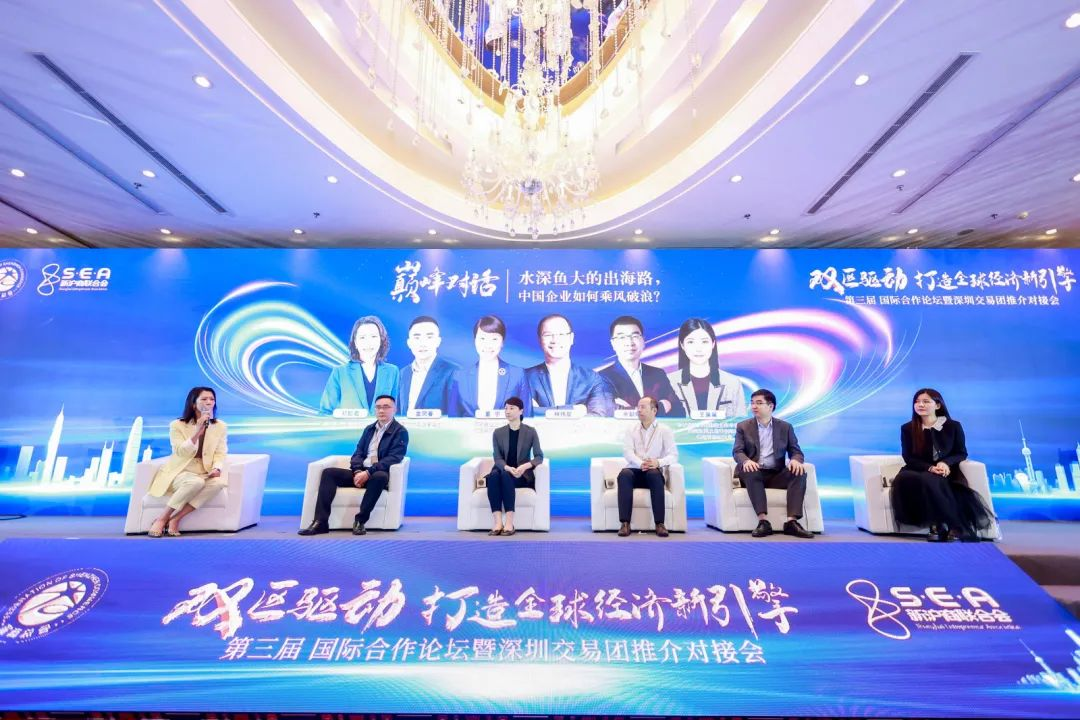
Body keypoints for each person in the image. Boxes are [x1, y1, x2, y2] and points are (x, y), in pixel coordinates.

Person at [891, 388, 993, 542]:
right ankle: (938, 524)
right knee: (913, 479)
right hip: (917, 469)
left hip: (946, 470)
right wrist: (930, 468)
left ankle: (947, 525)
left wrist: (945, 463)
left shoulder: (953, 426)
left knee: (933, 480)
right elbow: (908, 457)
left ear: (937, 405)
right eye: (917, 402)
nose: (920, 405)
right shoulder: (907, 428)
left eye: (926, 401)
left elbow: (961, 453)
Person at [299, 395, 409, 536]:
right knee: (329, 473)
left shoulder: (400, 432)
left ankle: (360, 521)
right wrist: (357, 471)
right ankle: (321, 522)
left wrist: (368, 473)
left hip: (377, 474)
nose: (381, 410)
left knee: (380, 476)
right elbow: (358, 453)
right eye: (378, 407)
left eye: (386, 407)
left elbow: (394, 458)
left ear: (394, 409)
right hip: (361, 472)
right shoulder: (369, 429)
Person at [147, 386, 228, 537]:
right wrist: (197, 432)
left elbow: (220, 452)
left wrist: (217, 468)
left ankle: (175, 518)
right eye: (204, 399)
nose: (209, 402)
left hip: (203, 472)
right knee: (195, 482)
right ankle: (162, 519)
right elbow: (180, 452)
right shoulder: (177, 425)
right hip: (180, 471)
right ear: (193, 404)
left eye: (212, 399)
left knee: (219, 483)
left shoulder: (220, 426)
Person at [732, 388, 813, 538]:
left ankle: (791, 522)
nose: (754, 406)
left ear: (771, 406)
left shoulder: (785, 427)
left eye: (759, 403)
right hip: (753, 473)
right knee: (751, 471)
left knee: (799, 473)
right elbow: (737, 451)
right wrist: (746, 461)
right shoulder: (743, 426)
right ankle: (763, 522)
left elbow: (796, 451)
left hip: (775, 474)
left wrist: (795, 460)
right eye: (752, 403)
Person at [526, 314, 613, 416]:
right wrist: (571, 410)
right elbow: (521, 412)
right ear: (539, 340)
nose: (555, 340)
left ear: (571, 338)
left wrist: (540, 411)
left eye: (561, 334)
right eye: (548, 335)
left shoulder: (591, 378)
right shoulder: (525, 377)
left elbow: (597, 416)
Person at [616, 396, 679, 537]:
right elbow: (627, 452)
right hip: (635, 470)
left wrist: (658, 463)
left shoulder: (664, 430)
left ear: (654, 410)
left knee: (654, 474)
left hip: (653, 471)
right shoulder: (631, 429)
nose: (639, 410)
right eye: (638, 407)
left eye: (643, 407)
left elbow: (674, 455)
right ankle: (625, 523)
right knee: (624, 474)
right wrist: (640, 463)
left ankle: (660, 524)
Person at [599, 315, 683, 417]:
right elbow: (611, 414)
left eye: (635, 336)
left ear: (643, 340)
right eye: (622, 337)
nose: (629, 343)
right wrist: (661, 406)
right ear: (613, 344)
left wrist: (631, 410)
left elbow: (679, 411)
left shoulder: (658, 374)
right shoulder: (602, 378)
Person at [485, 396, 544, 536]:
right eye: (506, 408)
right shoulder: (498, 433)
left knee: (505, 476)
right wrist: (506, 467)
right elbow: (497, 458)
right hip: (503, 470)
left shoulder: (530, 431)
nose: (507, 411)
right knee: (493, 476)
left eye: (512, 408)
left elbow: (539, 456)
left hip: (520, 474)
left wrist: (525, 466)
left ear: (521, 411)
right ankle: (498, 522)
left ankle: (509, 523)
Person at [452, 314, 531, 417]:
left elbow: (527, 416)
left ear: (502, 342)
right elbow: (453, 418)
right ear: (475, 341)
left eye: (494, 339)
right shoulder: (460, 376)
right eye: (482, 338)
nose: (488, 345)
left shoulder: (517, 374)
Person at [667, 318, 747, 418]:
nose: (698, 349)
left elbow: (741, 422)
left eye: (704, 342)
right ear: (682, 345)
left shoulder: (732, 383)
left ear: (713, 344)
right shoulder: (669, 382)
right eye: (691, 342)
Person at [320, 316, 400, 415]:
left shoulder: (392, 372)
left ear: (381, 340)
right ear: (355, 343)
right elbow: (325, 412)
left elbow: (395, 411)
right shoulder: (340, 372)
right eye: (362, 337)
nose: (368, 342)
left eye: (373, 336)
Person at [399, 316, 459, 415]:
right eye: (417, 337)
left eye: (429, 337)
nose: (423, 343)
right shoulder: (403, 373)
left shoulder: (453, 371)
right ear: (409, 343)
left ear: (438, 341)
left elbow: (455, 415)